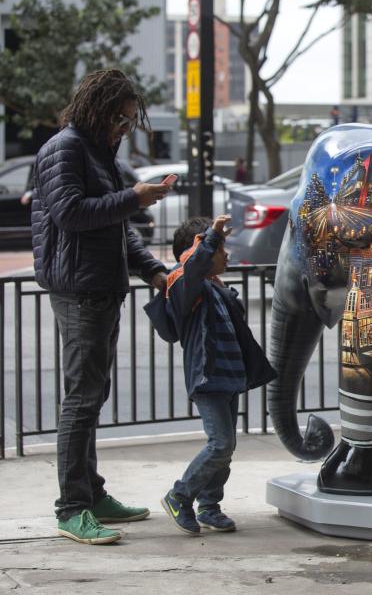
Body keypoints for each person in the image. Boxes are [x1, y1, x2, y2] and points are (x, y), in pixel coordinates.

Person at [32, 68, 173, 544]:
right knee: (81, 402)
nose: (124, 128)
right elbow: (71, 215)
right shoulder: (66, 148)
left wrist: (153, 269)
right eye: (120, 118)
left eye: (131, 121)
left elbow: (116, 230)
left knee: (91, 399)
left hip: (100, 287)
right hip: (79, 290)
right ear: (97, 108)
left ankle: (91, 494)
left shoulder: (97, 152)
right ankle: (72, 507)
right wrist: (133, 197)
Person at [155, 214, 276, 535]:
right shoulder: (184, 285)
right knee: (220, 444)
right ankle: (179, 495)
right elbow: (193, 266)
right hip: (208, 378)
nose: (227, 255)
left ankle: (209, 505)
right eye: (221, 249)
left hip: (229, 377)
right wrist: (210, 238)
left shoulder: (215, 288)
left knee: (226, 447)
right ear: (199, 252)